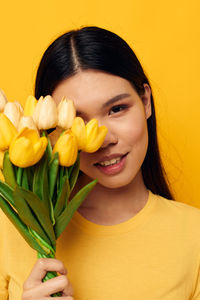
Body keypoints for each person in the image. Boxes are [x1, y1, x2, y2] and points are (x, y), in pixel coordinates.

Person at [1, 26, 200, 300]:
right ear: (49, 129)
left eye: (117, 109)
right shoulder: (8, 230)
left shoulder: (194, 236)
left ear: (145, 101)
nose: (103, 138)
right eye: (77, 120)